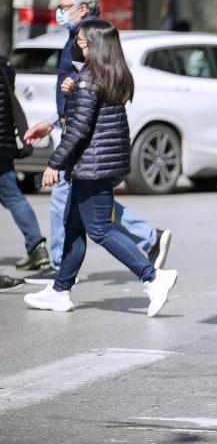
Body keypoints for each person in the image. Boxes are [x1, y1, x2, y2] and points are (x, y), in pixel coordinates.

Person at [24, 21, 178, 315]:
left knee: (101, 230)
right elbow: (89, 118)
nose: (76, 46)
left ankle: (154, 277)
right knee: (73, 227)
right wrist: (72, 94)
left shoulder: (88, 81)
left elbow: (79, 129)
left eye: (81, 42)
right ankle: (60, 290)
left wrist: (54, 164)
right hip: (100, 164)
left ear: (94, 45)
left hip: (92, 165)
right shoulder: (109, 76)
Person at [0, 54, 48, 270]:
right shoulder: (4, 63)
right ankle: (38, 247)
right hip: (4, 141)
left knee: (12, 195)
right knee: (13, 196)